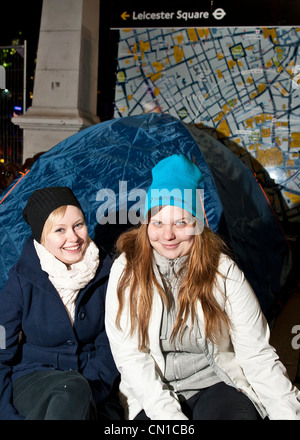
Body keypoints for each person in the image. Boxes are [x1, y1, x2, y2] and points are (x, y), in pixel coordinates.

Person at [105, 154, 300, 420]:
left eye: (180, 222)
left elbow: (257, 354)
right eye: (158, 222)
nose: (168, 234)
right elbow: (131, 357)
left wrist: (288, 414)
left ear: (197, 224)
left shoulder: (222, 270)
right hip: (152, 391)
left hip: (215, 384)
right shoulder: (127, 269)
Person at [0, 186, 120, 420]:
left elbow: (112, 342)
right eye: (60, 230)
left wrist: (92, 388)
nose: (73, 238)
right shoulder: (21, 280)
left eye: (79, 225)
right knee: (69, 392)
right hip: (34, 381)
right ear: (42, 237)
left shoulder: (109, 272)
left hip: (95, 385)